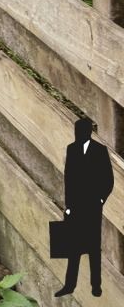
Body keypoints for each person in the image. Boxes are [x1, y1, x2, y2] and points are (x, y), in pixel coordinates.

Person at [59, 116, 114, 297]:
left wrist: (100, 200)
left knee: (93, 247)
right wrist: (68, 205)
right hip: (75, 206)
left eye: (80, 131)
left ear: (88, 132)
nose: (77, 134)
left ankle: (96, 286)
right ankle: (69, 285)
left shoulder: (99, 151)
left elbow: (108, 179)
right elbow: (68, 179)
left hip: (92, 206)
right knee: (73, 247)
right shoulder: (72, 149)